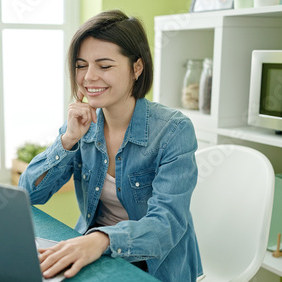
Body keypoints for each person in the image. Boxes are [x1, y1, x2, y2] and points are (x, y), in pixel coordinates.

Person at [18, 9, 203, 282]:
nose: (89, 77)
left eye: (104, 66)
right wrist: (68, 140)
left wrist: (100, 240)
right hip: (96, 253)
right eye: (81, 65)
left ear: (136, 68)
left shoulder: (173, 130)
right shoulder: (83, 123)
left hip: (155, 265)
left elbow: (167, 224)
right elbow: (28, 193)